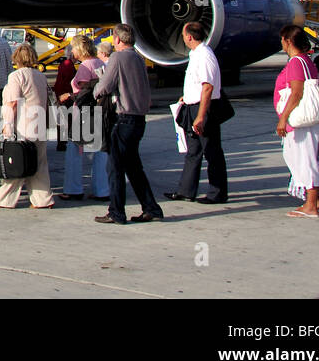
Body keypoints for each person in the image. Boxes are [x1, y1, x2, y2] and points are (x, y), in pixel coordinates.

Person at [92, 24, 164, 225]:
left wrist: (95, 90)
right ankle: (151, 207)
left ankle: (116, 212)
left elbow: (105, 86)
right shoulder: (138, 58)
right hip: (139, 118)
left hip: (124, 118)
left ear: (117, 39)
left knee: (115, 167)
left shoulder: (118, 57)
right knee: (133, 167)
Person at [165, 21, 228, 204]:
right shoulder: (195, 55)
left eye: (184, 35)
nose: (183, 38)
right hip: (192, 106)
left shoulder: (204, 55)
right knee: (193, 151)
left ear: (189, 36)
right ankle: (186, 190)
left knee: (212, 151)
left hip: (204, 108)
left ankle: (218, 192)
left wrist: (201, 116)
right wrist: (187, 97)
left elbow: (208, 87)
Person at [275, 25, 319, 218]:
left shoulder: (296, 62)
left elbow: (297, 93)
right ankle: (312, 200)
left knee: (304, 159)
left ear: (288, 41)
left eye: (282, 39)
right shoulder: (306, 60)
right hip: (304, 121)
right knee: (300, 157)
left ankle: (311, 205)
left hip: (298, 121)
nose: (281, 43)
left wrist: (283, 119)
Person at [0, 44, 56, 209]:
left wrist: (7, 124)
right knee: (40, 165)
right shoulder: (40, 76)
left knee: (17, 163)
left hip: (23, 126)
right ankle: (43, 199)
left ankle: (5, 200)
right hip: (39, 124)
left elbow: (13, 103)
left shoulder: (16, 76)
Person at [57, 35, 109, 201]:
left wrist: (69, 96)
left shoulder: (85, 67)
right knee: (100, 152)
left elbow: (85, 93)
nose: (72, 51)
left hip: (85, 113)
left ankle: (73, 189)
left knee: (74, 151)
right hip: (100, 112)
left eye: (73, 48)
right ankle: (102, 189)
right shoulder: (101, 63)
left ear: (80, 49)